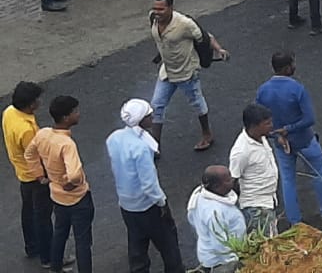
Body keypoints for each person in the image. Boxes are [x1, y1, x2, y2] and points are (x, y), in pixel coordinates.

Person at [254, 53, 322, 227]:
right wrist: (289, 129)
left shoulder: (263, 91)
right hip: (304, 140)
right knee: (318, 174)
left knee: (288, 180)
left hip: (281, 143)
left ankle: (295, 221)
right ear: (287, 68)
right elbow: (309, 119)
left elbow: (258, 119)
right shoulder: (297, 89)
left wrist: (277, 134)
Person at [106, 99, 184, 273]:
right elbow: (149, 184)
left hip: (126, 204)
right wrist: (162, 203)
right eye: (149, 115)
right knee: (168, 245)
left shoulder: (114, 138)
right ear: (140, 120)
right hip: (147, 206)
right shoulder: (141, 147)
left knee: (137, 246)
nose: (153, 117)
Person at [148, 0, 227, 152]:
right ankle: (155, 147)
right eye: (155, 8)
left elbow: (205, 37)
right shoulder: (153, 18)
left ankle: (207, 135)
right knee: (156, 106)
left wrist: (219, 49)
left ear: (171, 8)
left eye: (161, 9)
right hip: (167, 71)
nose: (157, 12)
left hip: (187, 72)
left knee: (197, 103)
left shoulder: (185, 24)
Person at [24, 95, 92, 273]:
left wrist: (40, 176)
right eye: (75, 112)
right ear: (65, 117)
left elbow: (29, 154)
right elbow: (75, 173)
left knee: (60, 234)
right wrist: (73, 182)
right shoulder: (67, 144)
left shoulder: (43, 134)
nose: (78, 114)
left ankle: (55, 268)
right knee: (83, 242)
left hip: (57, 196)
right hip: (78, 199)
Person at [5, 81, 53, 267]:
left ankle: (32, 247)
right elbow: (36, 156)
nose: (39, 102)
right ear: (30, 104)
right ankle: (48, 256)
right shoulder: (26, 130)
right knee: (43, 217)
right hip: (35, 176)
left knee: (28, 212)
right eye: (37, 100)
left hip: (22, 173)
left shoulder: (9, 112)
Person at [229, 104, 279, 237]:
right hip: (256, 208)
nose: (271, 126)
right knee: (267, 248)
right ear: (254, 126)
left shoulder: (260, 136)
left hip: (268, 201)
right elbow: (232, 181)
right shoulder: (241, 152)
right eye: (267, 124)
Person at [186, 166, 244, 273]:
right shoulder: (214, 213)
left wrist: (204, 235)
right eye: (228, 180)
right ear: (217, 186)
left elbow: (192, 219)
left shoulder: (199, 195)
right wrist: (234, 261)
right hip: (221, 262)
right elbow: (219, 243)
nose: (232, 180)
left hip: (209, 253)